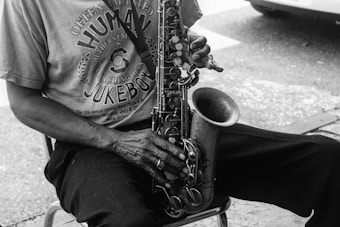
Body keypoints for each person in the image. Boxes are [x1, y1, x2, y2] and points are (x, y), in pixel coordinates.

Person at [1, 0, 340, 226]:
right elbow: (23, 101)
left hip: (176, 131)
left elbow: (172, 31)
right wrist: (115, 142)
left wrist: (188, 45)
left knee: (330, 161)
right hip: (89, 143)